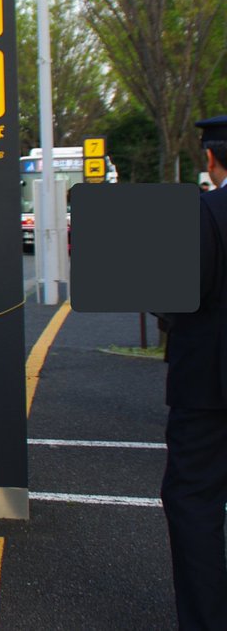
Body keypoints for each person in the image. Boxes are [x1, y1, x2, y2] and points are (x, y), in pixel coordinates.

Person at [160, 114, 227, 629]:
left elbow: (177, 304)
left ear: (210, 159)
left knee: (195, 502)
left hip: (209, 389)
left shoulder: (204, 215)